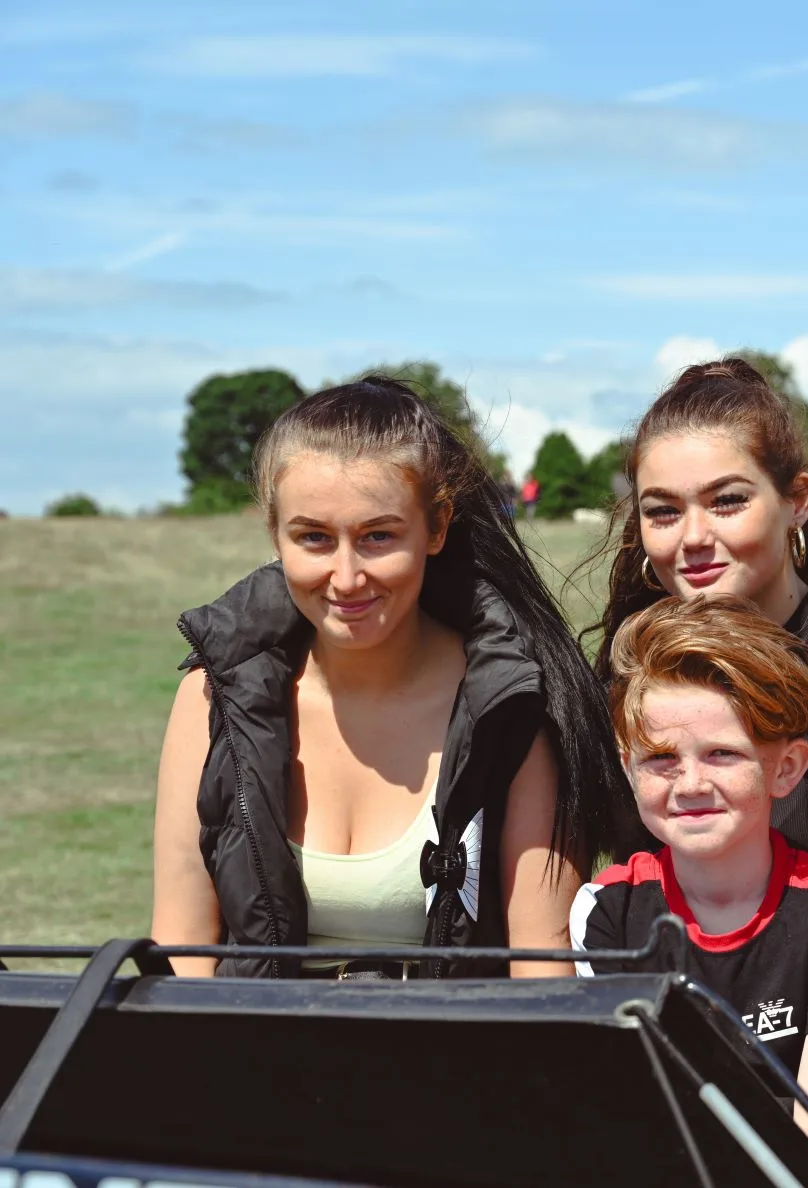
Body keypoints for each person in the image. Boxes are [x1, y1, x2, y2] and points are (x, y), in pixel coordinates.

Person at [153, 376, 635, 979]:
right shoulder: (209, 698)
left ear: (435, 528)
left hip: (455, 1061)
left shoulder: (511, 705)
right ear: (274, 533)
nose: (347, 576)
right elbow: (183, 951)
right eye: (314, 538)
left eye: (378, 535)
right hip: (253, 1060)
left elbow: (543, 967)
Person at [582, 357, 808, 873]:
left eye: (727, 501)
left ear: (797, 502)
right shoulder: (617, 681)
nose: (693, 537)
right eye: (663, 510)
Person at [573, 595, 808, 1152]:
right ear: (627, 767)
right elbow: (622, 1100)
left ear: (786, 768)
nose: (690, 783)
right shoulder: (605, 910)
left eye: (722, 754)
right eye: (660, 759)